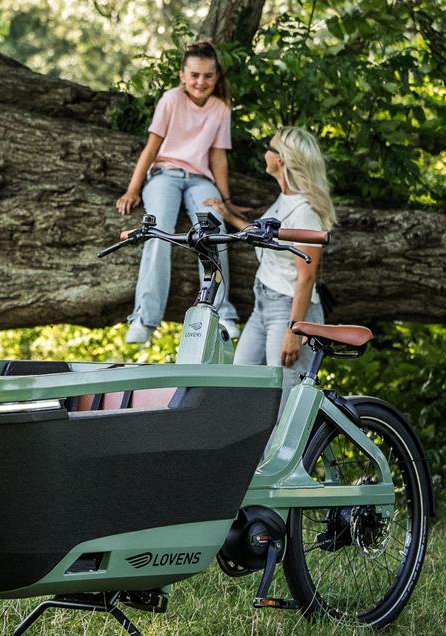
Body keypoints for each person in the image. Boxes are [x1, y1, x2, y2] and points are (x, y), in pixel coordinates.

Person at [115, 42, 249, 345]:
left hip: (200, 179)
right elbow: (152, 147)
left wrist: (226, 203)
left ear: (216, 77)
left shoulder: (220, 108)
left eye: (208, 76)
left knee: (213, 228)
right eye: (195, 75)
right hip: (165, 175)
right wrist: (133, 189)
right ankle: (144, 319)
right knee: (158, 230)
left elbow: (218, 157)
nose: (201, 82)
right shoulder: (171, 100)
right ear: (182, 75)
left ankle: (221, 311)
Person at [205, 126, 336, 404]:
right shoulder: (285, 198)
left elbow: (306, 277)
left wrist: (293, 331)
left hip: (289, 310)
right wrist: (229, 217)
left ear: (282, 159)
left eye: (270, 147)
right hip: (263, 305)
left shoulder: (305, 211)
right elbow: (268, 236)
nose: (265, 152)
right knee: (238, 388)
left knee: (283, 403)